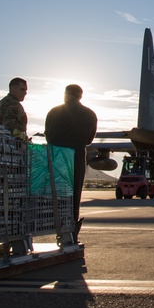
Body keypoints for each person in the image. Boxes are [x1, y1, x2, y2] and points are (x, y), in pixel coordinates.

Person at [44, 84, 98, 237]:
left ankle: (52, 224)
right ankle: (72, 229)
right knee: (74, 194)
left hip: (56, 157)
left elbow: (48, 136)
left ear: (66, 94)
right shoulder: (89, 114)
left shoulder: (53, 112)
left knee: (54, 192)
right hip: (76, 155)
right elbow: (89, 140)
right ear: (80, 96)